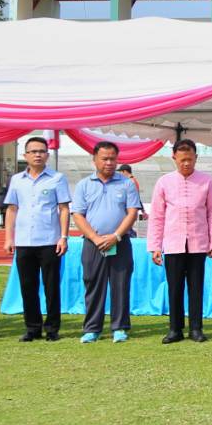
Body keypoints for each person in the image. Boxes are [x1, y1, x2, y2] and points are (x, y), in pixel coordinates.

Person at [147, 139, 212, 344]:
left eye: (190, 159)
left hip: (198, 243)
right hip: (173, 243)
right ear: (174, 158)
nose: (186, 164)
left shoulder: (206, 181)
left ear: (196, 157)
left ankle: (196, 328)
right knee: (174, 287)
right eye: (182, 160)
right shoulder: (164, 182)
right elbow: (157, 216)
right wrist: (154, 246)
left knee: (196, 287)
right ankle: (175, 329)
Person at [2, 135, 70, 342]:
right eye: (33, 151)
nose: (37, 155)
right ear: (25, 155)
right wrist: (8, 238)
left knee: (51, 286)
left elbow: (64, 208)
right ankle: (32, 328)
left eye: (41, 151)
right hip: (24, 242)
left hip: (49, 240)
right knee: (27, 286)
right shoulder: (16, 180)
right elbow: (12, 209)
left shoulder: (57, 178)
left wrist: (63, 236)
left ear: (47, 155)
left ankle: (52, 329)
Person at [73, 141, 142, 343]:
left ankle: (119, 327)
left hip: (119, 243)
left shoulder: (126, 183)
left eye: (113, 158)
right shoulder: (84, 185)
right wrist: (95, 238)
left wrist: (116, 236)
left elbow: (132, 212)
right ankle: (92, 328)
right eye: (104, 158)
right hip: (92, 243)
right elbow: (78, 215)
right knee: (93, 284)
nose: (109, 163)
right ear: (94, 159)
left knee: (120, 285)